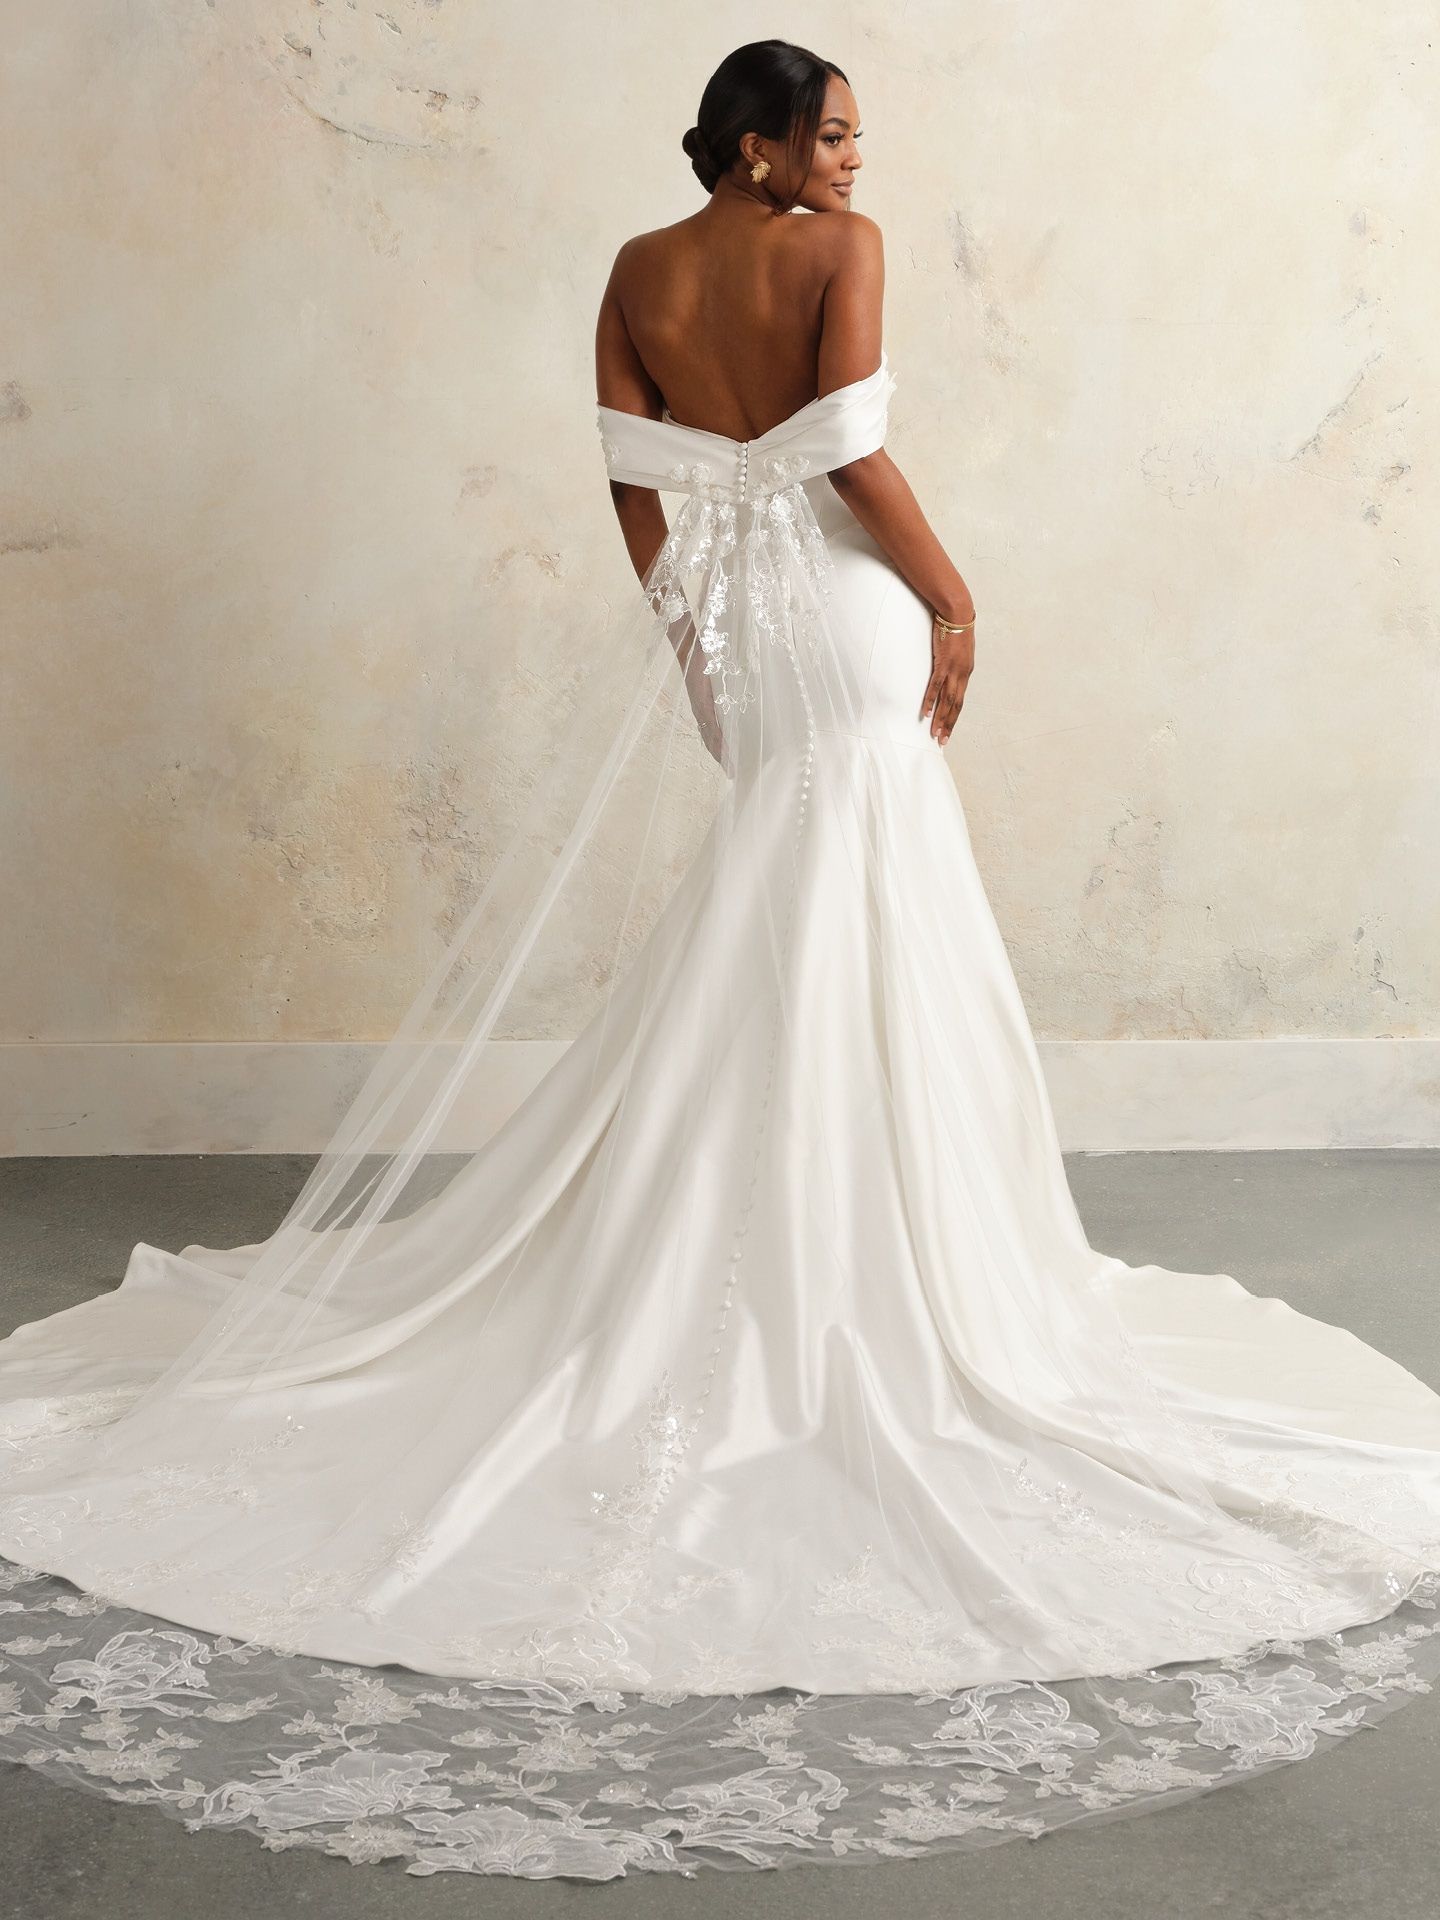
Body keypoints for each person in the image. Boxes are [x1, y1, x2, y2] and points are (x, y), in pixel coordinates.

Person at [1, 37, 1438, 1885]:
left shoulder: (635, 270)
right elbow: (850, 450)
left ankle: (744, 1228)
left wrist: (692, 636)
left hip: (741, 634)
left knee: (792, 902)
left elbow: (631, 480)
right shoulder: (840, 249)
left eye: (854, 139)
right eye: (829, 133)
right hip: (842, 608)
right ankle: (868, 1256)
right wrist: (956, 594)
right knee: (863, 900)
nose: (854, 159)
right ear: (757, 146)